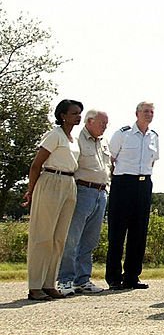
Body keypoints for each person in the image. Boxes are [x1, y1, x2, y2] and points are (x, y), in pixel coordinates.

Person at [23, 99, 83, 301]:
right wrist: (31, 191)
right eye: (74, 113)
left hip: (69, 183)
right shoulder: (54, 135)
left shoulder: (72, 140)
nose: (78, 116)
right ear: (63, 115)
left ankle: (49, 283)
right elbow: (35, 165)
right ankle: (35, 286)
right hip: (50, 180)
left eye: (79, 113)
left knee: (59, 238)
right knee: (43, 236)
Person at [105, 101, 160, 290]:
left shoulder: (154, 137)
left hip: (144, 185)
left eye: (151, 112)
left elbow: (153, 162)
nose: (148, 115)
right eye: (145, 111)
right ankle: (113, 277)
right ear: (136, 113)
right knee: (117, 232)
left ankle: (132, 276)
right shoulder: (123, 133)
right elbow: (110, 159)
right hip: (123, 184)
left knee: (139, 232)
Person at [56, 109, 110, 295]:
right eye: (102, 123)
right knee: (72, 238)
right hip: (82, 190)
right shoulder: (77, 140)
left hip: (101, 192)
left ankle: (83, 280)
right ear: (90, 121)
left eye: (106, 123)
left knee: (90, 240)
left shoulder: (103, 142)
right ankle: (65, 280)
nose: (105, 126)